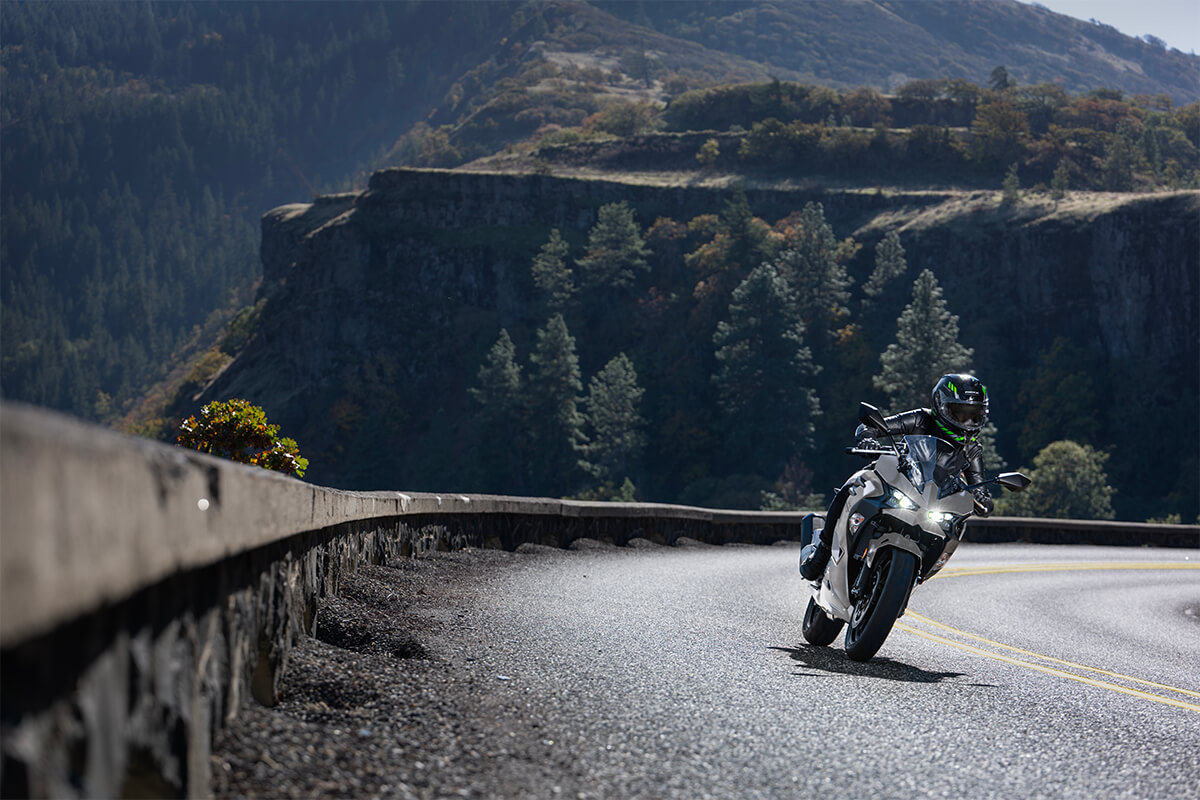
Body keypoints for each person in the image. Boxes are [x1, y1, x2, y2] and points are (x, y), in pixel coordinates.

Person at [799, 373, 995, 581]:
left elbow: (978, 486)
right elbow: (873, 426)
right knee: (853, 486)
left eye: (974, 415)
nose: (967, 421)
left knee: (953, 529)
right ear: (941, 405)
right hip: (899, 481)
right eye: (960, 413)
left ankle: (914, 576)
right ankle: (821, 552)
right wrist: (868, 438)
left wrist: (983, 499)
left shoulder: (972, 450)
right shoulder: (921, 419)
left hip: (932, 504)